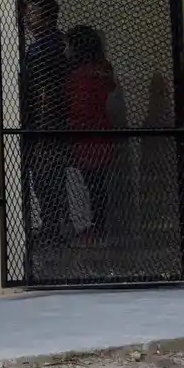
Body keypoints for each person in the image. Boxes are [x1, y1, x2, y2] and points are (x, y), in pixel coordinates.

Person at [22, 0, 71, 259]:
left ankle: (53, 226)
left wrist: (42, 130)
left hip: (46, 125)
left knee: (46, 176)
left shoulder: (45, 48)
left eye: (33, 13)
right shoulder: (53, 43)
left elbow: (46, 91)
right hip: (47, 124)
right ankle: (53, 224)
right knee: (49, 177)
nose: (28, 18)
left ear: (47, 16)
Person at [65, 24, 118, 245]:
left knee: (87, 184)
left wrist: (67, 125)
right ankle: (97, 227)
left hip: (84, 135)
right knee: (96, 184)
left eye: (68, 45)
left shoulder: (80, 75)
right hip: (100, 131)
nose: (65, 50)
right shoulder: (102, 69)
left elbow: (80, 107)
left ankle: (91, 229)